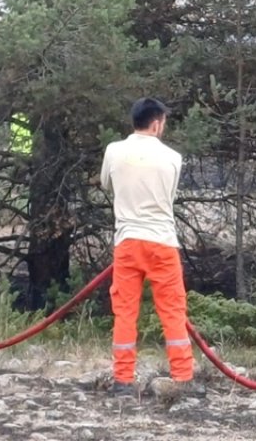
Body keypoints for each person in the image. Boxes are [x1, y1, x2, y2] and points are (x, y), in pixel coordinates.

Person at [100, 97, 195, 403]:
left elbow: (106, 184)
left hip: (127, 241)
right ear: (157, 123)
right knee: (172, 310)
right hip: (162, 242)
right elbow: (169, 195)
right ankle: (182, 377)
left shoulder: (114, 150)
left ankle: (123, 379)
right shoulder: (172, 158)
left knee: (125, 311)